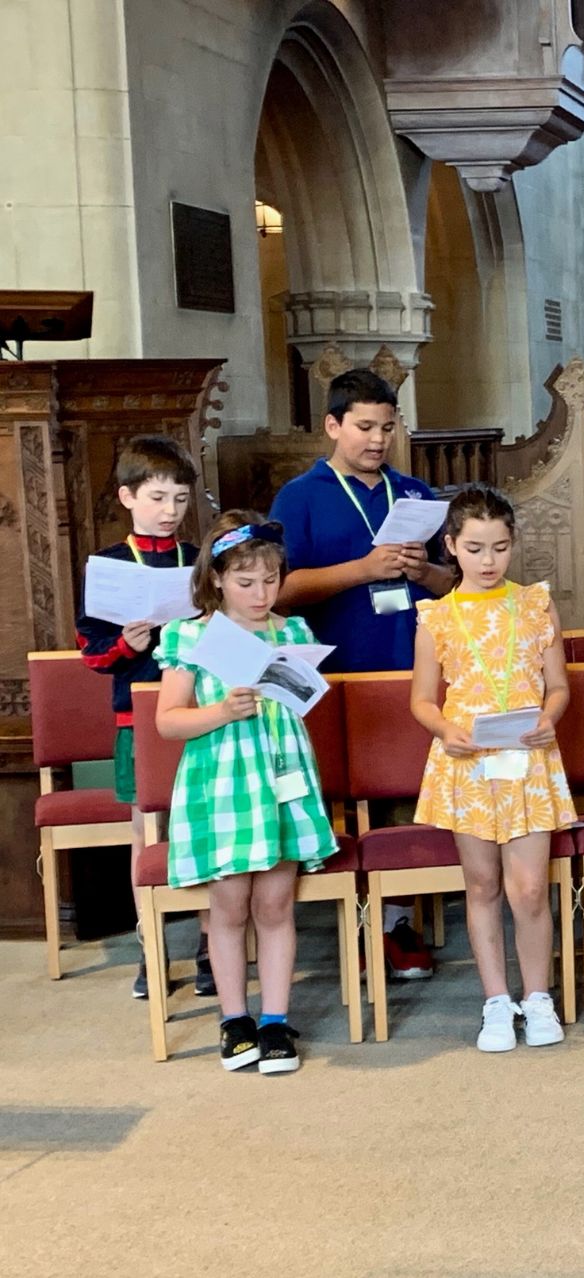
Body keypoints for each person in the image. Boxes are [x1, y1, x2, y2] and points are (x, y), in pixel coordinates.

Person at [270, 368, 452, 982]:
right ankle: (320, 921)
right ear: (333, 425)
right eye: (365, 427)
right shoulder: (300, 496)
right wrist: (363, 568)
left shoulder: (415, 493)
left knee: (405, 794)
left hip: (407, 665)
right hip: (330, 671)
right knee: (330, 796)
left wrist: (423, 571)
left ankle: (396, 923)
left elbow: (452, 587)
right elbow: (279, 591)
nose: (378, 439)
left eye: (388, 426)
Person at [153, 512, 335, 1074]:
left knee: (276, 905)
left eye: (270, 580)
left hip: (283, 775)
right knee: (230, 906)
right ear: (216, 580)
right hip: (225, 779)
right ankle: (235, 1020)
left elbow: (304, 701)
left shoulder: (292, 632)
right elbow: (167, 722)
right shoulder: (192, 635)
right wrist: (221, 710)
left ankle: (276, 1020)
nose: (260, 594)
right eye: (245, 582)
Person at [410, 485, 575, 1052]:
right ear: (451, 545)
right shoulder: (437, 615)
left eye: (500, 548)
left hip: (527, 758)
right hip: (469, 762)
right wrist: (443, 729)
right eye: (475, 548)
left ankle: (538, 997)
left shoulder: (534, 603)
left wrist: (551, 716)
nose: (488, 561)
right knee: (481, 885)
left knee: (528, 888)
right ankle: (496, 1002)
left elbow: (557, 686)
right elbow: (423, 699)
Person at [75, 435, 210, 1000]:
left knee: (204, 823)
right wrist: (128, 645)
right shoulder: (108, 563)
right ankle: (148, 941)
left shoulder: (200, 559)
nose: (169, 511)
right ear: (128, 497)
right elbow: (92, 652)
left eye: (180, 499)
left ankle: (209, 942)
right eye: (157, 498)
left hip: (201, 711)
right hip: (138, 714)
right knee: (146, 829)